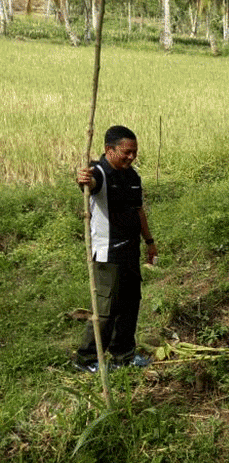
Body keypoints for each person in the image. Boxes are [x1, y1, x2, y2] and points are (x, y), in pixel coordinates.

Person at [73, 125, 157, 372]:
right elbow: (90, 183)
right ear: (109, 150)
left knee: (131, 305)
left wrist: (149, 242)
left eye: (135, 152)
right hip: (108, 253)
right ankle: (87, 359)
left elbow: (139, 211)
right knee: (106, 310)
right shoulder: (98, 171)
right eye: (126, 152)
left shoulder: (132, 176)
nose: (131, 157)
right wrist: (83, 180)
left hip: (131, 252)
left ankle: (124, 356)